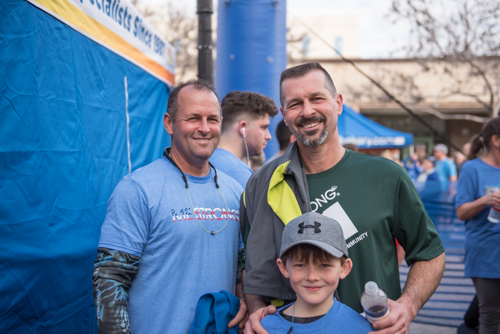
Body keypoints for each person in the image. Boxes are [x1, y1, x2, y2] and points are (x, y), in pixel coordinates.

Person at [241, 62, 445, 334]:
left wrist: (407, 306)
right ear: (284, 115)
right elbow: (248, 263)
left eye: (316, 98)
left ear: (337, 103)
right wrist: (256, 308)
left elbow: (430, 254)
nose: (307, 111)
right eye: (295, 104)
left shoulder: (386, 176)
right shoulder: (260, 186)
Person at [92, 80, 247, 334]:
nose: (205, 128)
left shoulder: (235, 191)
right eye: (193, 118)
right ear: (169, 123)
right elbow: (110, 278)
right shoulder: (137, 189)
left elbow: (242, 267)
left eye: (212, 119)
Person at [260, 212, 372, 333]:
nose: (312, 277)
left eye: (324, 265)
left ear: (344, 268)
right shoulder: (264, 328)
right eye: (300, 265)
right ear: (284, 267)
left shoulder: (362, 328)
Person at [456, 117, 500, 334]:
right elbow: (461, 212)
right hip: (486, 254)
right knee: (491, 316)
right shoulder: (472, 169)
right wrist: (487, 200)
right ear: (496, 140)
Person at [210, 91, 278, 188]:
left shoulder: (203, 162)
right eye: (263, 127)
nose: (268, 136)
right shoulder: (239, 173)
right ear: (243, 127)